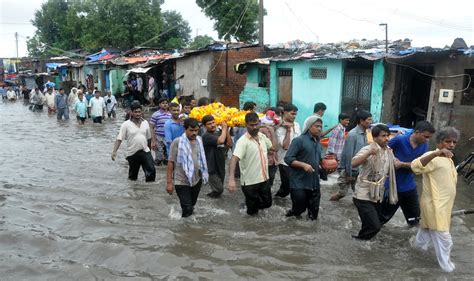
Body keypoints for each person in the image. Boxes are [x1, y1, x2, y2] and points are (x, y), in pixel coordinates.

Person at [410, 127, 460, 273]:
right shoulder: (432, 156)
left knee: (424, 235)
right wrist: (436, 153)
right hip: (435, 207)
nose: (451, 145)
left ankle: (413, 254)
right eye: (447, 141)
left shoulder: (449, 159)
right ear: (439, 143)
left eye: (454, 142)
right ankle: (447, 269)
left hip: (442, 207)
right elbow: (415, 166)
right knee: (445, 241)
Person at [380, 121, 436, 227]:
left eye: (429, 137)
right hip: (392, 187)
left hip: (409, 187)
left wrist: (402, 164)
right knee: (381, 219)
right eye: (425, 136)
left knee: (415, 220)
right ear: (417, 132)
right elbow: (383, 149)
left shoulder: (424, 145)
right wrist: (391, 159)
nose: (427, 140)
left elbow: (419, 165)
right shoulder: (400, 139)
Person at [351, 124, 397, 240]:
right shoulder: (368, 149)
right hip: (363, 194)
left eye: (388, 135)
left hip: (377, 194)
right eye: (383, 136)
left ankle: (361, 242)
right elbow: (353, 163)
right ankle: (359, 241)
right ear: (375, 137)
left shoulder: (388, 151)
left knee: (371, 223)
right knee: (374, 226)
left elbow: (393, 165)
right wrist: (368, 153)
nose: (387, 138)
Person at [228, 112, 273, 216]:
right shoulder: (242, 141)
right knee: (252, 213)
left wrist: (272, 132)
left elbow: (273, 148)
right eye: (251, 125)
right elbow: (234, 159)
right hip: (250, 182)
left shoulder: (262, 136)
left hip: (264, 178)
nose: (254, 127)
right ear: (246, 125)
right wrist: (231, 179)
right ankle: (251, 222)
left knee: (268, 203)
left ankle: (248, 205)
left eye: (256, 124)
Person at [283, 115, 324, 220]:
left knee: (313, 215)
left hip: (314, 184)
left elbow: (318, 161)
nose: (319, 128)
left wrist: (325, 168)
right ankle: (288, 217)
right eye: (317, 126)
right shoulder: (299, 140)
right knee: (298, 210)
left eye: (321, 126)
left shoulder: (318, 142)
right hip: (299, 183)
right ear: (309, 127)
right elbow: (288, 158)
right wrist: (303, 165)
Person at [166, 118, 209, 217]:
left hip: (196, 180)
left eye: (196, 130)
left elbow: (201, 159)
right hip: (181, 180)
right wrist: (169, 183)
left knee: (192, 205)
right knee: (187, 208)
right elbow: (170, 162)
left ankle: (189, 227)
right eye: (191, 130)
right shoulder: (177, 142)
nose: (194, 133)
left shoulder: (199, 141)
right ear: (185, 129)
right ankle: (185, 230)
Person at [330, 110, 373, 201]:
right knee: (342, 193)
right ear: (361, 121)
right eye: (368, 120)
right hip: (350, 170)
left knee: (359, 194)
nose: (370, 122)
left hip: (361, 170)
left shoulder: (368, 133)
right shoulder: (353, 134)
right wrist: (348, 174)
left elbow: (369, 148)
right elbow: (348, 155)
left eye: (371, 120)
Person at [111, 102, 156, 182]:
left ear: (142, 112)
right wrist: (114, 152)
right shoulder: (126, 124)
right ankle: (134, 191)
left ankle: (149, 190)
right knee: (133, 176)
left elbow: (149, 138)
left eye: (139, 112)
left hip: (145, 151)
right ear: (131, 112)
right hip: (132, 153)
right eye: (135, 112)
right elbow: (119, 139)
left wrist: (149, 152)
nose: (138, 114)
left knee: (151, 171)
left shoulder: (145, 123)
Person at [202, 115, 232, 198]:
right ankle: (213, 193)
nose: (212, 125)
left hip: (221, 163)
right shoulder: (206, 136)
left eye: (213, 122)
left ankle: (214, 193)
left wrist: (227, 131)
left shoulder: (219, 132)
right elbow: (221, 141)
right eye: (209, 124)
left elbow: (229, 144)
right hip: (211, 165)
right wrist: (225, 128)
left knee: (219, 189)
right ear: (204, 126)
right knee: (220, 189)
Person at [275, 103, 301, 198]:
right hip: (284, 161)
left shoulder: (297, 125)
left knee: (294, 184)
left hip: (297, 160)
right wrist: (289, 130)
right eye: (292, 114)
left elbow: (300, 141)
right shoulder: (279, 127)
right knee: (287, 187)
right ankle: (276, 199)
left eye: (295, 114)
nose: (294, 116)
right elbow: (285, 146)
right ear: (285, 113)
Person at [258, 110, 279, 189]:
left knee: (271, 178)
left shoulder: (274, 129)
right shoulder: (261, 130)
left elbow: (276, 147)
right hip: (265, 160)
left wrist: (272, 132)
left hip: (274, 160)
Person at [150, 98, 171, 165]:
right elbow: (151, 128)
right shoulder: (156, 114)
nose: (165, 104)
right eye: (163, 103)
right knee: (159, 155)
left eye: (166, 103)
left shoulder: (171, 114)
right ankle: (158, 168)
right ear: (159, 105)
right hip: (158, 137)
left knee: (168, 156)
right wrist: (153, 141)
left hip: (168, 137)